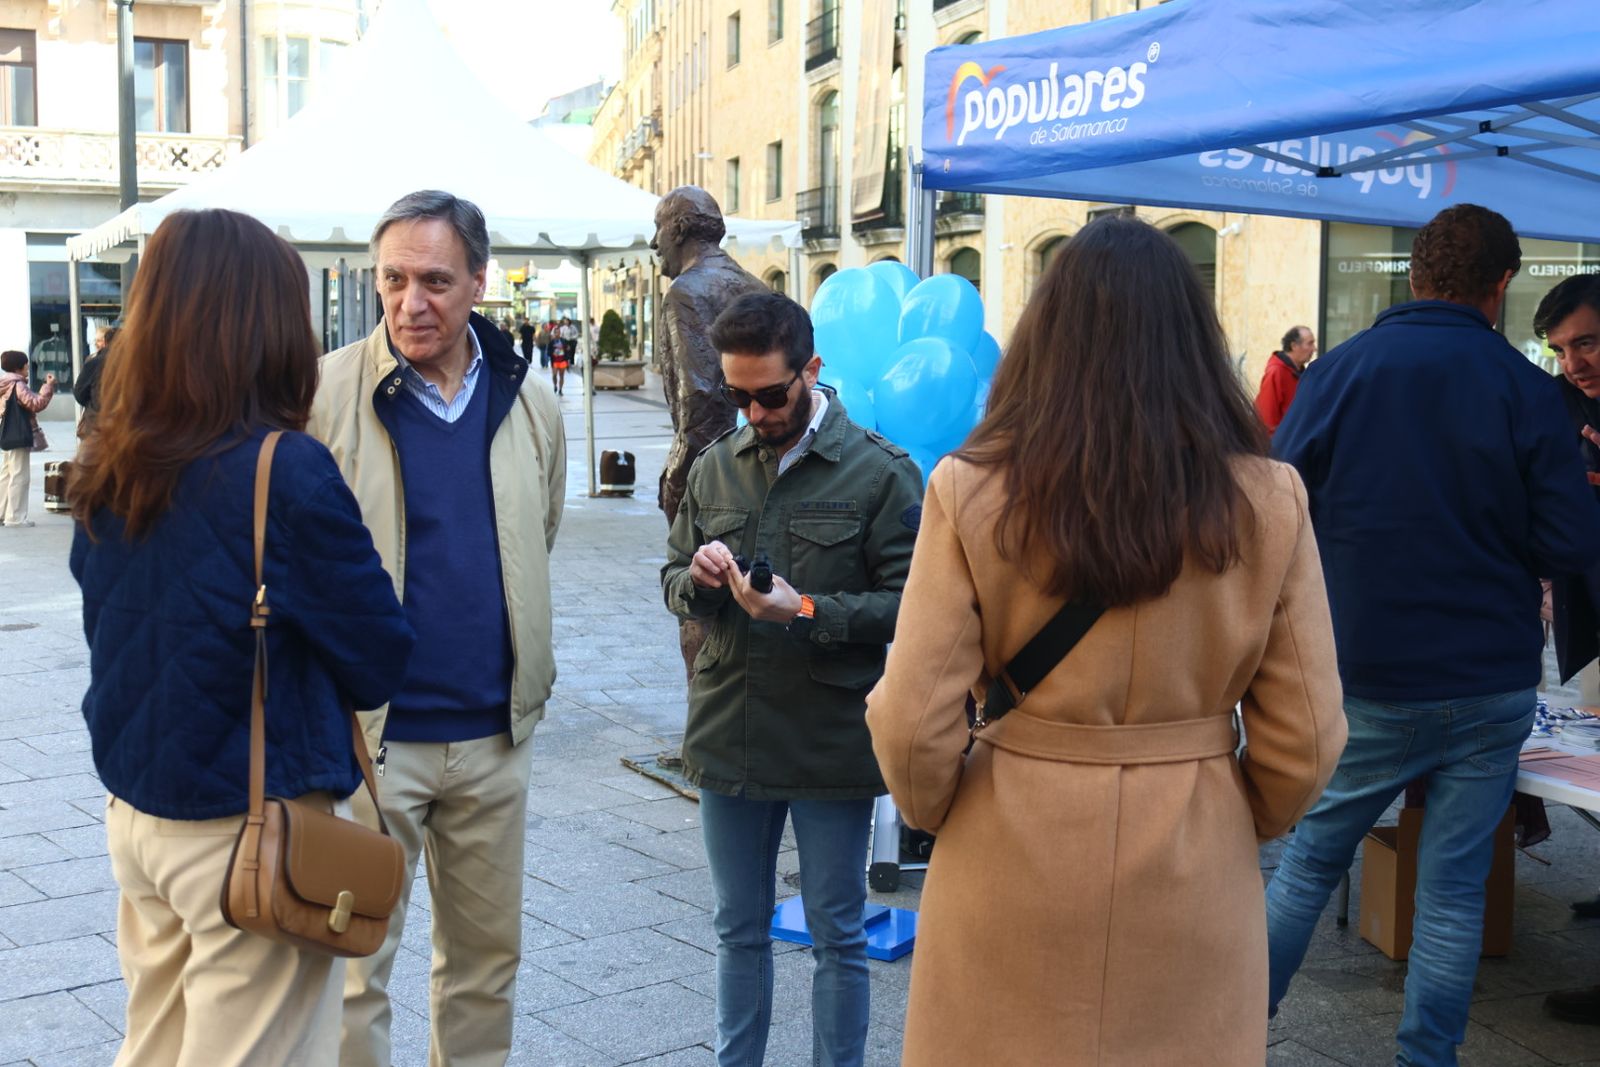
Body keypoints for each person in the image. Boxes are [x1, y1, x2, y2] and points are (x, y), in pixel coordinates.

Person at [863, 216, 1346, 1066]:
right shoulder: (1270, 500)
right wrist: (1230, 808)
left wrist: (941, 808)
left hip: (1010, 847)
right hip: (1194, 861)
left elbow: (910, 720)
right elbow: (1307, 733)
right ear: (1196, 342)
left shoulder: (971, 490)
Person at [67, 208, 414, 1066]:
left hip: (139, 810)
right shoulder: (283, 468)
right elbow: (378, 657)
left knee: (154, 1042)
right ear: (266, 327)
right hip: (248, 825)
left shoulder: (110, 459)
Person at [1267, 204, 1600, 1066]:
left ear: (1414, 277)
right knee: (1452, 894)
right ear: (1500, 286)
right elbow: (1571, 543)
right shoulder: (1529, 391)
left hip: (1370, 669)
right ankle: (1427, 1057)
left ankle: (1230, 1034)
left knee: (1306, 867)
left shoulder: (1338, 373)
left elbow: (1269, 504)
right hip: (1490, 680)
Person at [307, 190, 567, 1067]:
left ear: (480, 283)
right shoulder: (330, 391)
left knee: (487, 964)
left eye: (435, 281)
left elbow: (540, 530)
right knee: (354, 968)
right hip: (371, 744)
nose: (410, 303)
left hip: (495, 736)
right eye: (393, 280)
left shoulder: (528, 398)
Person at [660, 291, 923, 1067]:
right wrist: (700, 577)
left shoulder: (881, 473)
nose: (754, 412)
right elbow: (672, 572)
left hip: (828, 738)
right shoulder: (716, 466)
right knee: (736, 929)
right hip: (728, 731)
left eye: (770, 394)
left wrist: (804, 607)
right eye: (738, 396)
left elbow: (915, 607)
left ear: (811, 369)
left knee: (836, 934)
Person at [651, 186, 768, 681]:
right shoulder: (758, 286)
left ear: (678, 230)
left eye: (659, 228)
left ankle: (703, 728)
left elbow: (699, 400)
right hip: (765, 464)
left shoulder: (687, 291)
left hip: (711, 468)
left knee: (698, 600)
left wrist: (676, 476)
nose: (654, 244)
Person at [1531, 272, 1600, 1026]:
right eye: (1560, 349)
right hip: (1583, 599)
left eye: (1586, 341)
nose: (1574, 361)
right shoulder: (1561, 401)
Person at [0, 349, 55, 527]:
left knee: (7, 473)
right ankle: (15, 517)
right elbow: (36, 403)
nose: (27, 369)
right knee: (19, 475)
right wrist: (48, 387)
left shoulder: (3, 383)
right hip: (18, 432)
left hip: (6, 432)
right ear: (18, 367)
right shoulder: (18, 385)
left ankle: (2, 512)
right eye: (25, 366)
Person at [1255, 325, 1316, 436]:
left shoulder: (1302, 373)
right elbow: (1266, 419)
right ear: (1294, 346)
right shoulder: (1276, 373)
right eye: (1310, 343)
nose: (1314, 349)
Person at [73, 325, 117, 439]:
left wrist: (92, 404)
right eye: (95, 340)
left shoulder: (94, 362)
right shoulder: (92, 360)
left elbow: (79, 392)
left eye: (99, 340)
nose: (96, 344)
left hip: (97, 420)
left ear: (106, 342)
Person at [550, 316, 571, 395]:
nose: (557, 333)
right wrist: (552, 353)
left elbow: (567, 350)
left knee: (561, 376)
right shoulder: (552, 342)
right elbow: (548, 350)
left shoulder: (563, 341)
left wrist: (568, 359)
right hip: (555, 361)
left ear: (560, 333)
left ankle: (560, 389)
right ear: (554, 333)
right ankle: (555, 385)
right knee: (554, 375)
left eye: (558, 332)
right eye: (556, 332)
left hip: (562, 360)